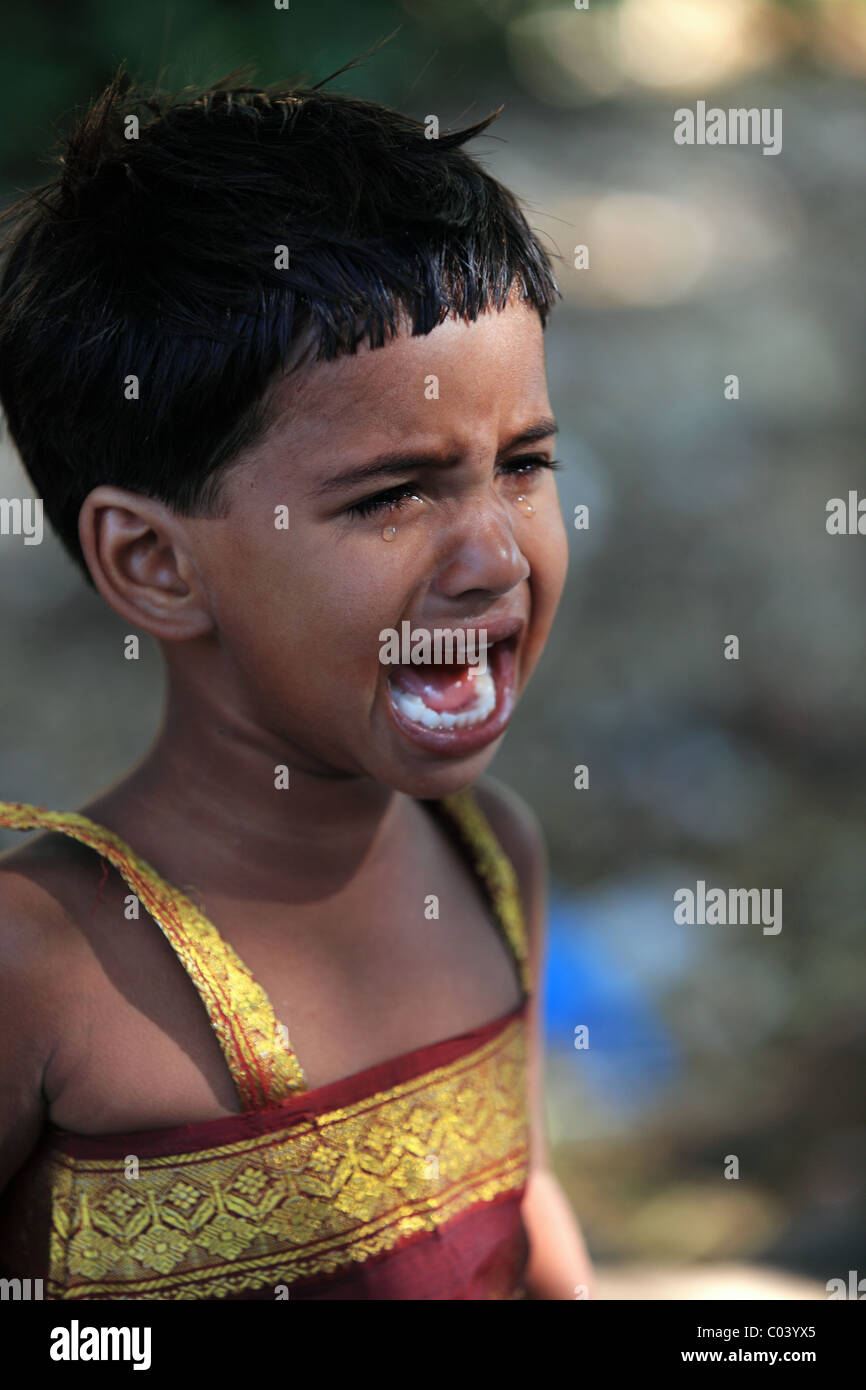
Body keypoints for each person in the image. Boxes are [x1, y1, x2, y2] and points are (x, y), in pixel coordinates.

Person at [0, 62, 593, 1299]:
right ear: (154, 562)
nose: (493, 557)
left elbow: (525, 1220)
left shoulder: (489, 860)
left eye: (522, 464)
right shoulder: (39, 964)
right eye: (390, 495)